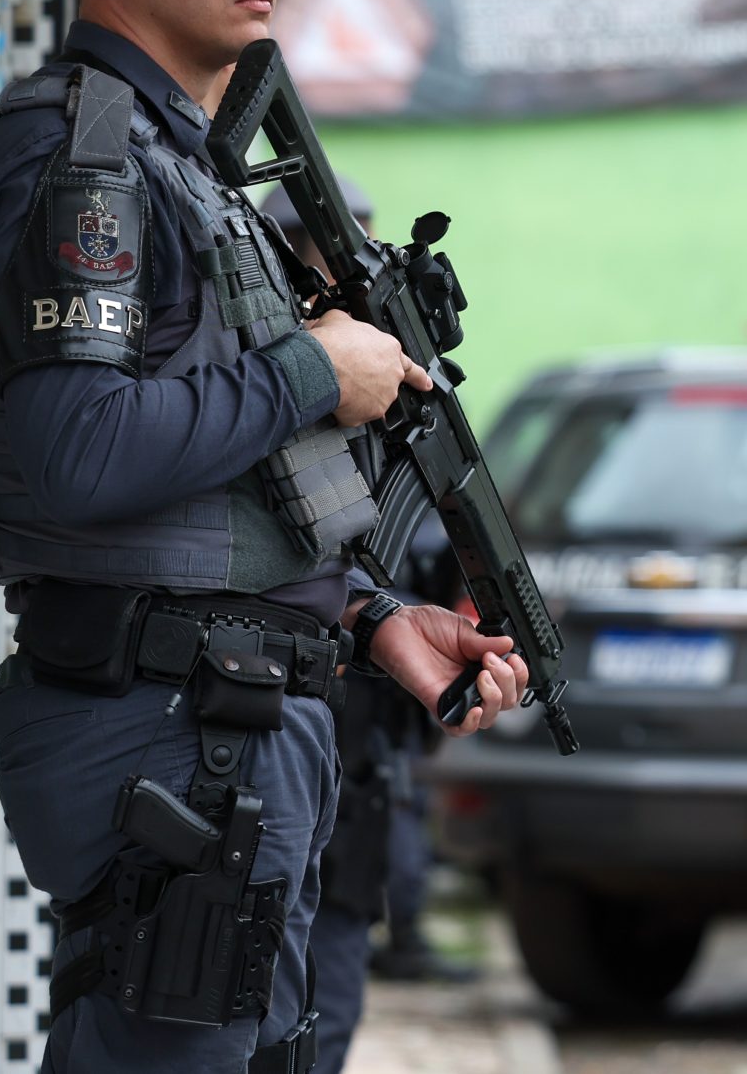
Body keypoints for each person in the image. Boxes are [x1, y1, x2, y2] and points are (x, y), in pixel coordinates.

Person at [0, 0, 529, 1074]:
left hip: (230, 720)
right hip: (170, 729)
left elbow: (219, 485)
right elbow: (85, 454)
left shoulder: (186, 169)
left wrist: (366, 618)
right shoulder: (81, 164)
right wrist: (318, 370)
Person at [258, 183, 477, 1074]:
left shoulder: (385, 384)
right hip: (271, 738)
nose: (360, 284)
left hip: (355, 761)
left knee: (330, 1004)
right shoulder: (268, 378)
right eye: (335, 261)